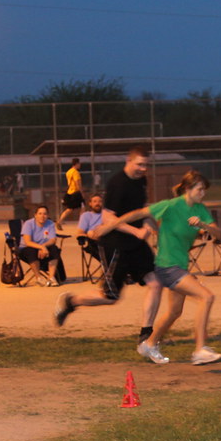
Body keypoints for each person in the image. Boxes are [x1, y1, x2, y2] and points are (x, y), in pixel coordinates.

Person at [105, 171, 221, 366]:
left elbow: (218, 232)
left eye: (205, 190)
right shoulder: (170, 205)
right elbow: (140, 213)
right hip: (167, 266)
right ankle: (200, 350)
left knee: (174, 312)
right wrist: (113, 223)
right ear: (187, 189)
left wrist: (203, 225)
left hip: (180, 265)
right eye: (200, 189)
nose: (203, 193)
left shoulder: (201, 210)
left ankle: (149, 344)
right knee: (206, 297)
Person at [54, 148, 163, 345]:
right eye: (139, 164)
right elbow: (107, 217)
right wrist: (135, 231)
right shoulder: (117, 183)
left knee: (155, 284)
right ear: (128, 161)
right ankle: (71, 302)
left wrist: (147, 224)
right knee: (111, 297)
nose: (143, 168)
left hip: (136, 245)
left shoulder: (141, 181)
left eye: (145, 164)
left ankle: (146, 334)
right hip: (116, 244)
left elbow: (141, 211)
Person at [19, 205, 62, 286]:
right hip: (27, 248)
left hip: (43, 248)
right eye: (40, 213)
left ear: (48, 215)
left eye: (45, 214)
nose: (42, 216)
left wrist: (43, 246)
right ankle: (38, 277)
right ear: (35, 215)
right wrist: (41, 247)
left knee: (54, 249)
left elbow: (53, 240)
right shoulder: (28, 224)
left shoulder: (50, 224)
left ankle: (51, 277)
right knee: (30, 251)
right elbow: (28, 242)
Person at [57, 158, 85, 229]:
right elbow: (78, 183)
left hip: (70, 192)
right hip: (76, 193)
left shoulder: (68, 172)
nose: (80, 165)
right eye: (79, 163)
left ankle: (59, 221)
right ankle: (82, 224)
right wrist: (82, 193)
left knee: (70, 209)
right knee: (83, 207)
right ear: (76, 164)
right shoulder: (75, 172)